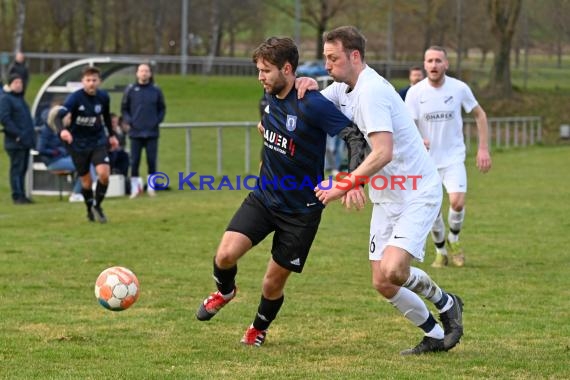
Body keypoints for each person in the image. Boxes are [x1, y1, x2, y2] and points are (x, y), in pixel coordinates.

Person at [298, 26, 464, 355]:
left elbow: (383, 152)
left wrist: (347, 182)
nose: (327, 65)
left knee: (394, 270)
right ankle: (433, 334)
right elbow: (314, 103)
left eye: (333, 59)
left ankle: (447, 303)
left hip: (416, 190)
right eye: (326, 58)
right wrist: (305, 85)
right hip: (387, 195)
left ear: (355, 56)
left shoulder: (371, 91)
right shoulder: (344, 87)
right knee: (382, 282)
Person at [195, 36, 367, 347]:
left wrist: (352, 178)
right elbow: (272, 130)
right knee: (224, 255)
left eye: (265, 70)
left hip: (301, 212)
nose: (260, 77)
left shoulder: (313, 104)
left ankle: (258, 328)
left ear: (286, 69)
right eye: (258, 70)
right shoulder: (270, 95)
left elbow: (355, 137)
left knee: (272, 283)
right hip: (263, 198)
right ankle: (225, 292)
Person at [405, 46, 492, 268]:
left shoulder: (459, 88)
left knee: (457, 201)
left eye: (438, 61)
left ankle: (453, 238)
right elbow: (406, 126)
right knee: (432, 210)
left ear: (446, 64)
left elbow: (480, 114)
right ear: (424, 65)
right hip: (425, 162)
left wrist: (483, 148)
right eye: (430, 61)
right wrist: (417, 140)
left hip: (453, 157)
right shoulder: (415, 93)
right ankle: (441, 251)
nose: (433, 65)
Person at [51, 66, 119, 222]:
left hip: (97, 141)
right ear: (83, 82)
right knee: (86, 182)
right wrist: (63, 131)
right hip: (78, 144)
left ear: (99, 81)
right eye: (88, 80)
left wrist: (112, 136)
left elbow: (106, 118)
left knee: (104, 174)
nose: (91, 83)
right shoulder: (75, 98)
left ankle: (98, 206)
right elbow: (57, 117)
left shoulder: (103, 97)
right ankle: (89, 209)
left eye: (94, 80)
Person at [121, 63, 166, 198]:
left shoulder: (156, 90)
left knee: (151, 161)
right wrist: (130, 121)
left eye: (146, 71)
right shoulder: (131, 90)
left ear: (150, 74)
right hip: (135, 133)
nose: (144, 73)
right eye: (141, 71)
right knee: (134, 162)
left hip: (152, 132)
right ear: (137, 73)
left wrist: (156, 121)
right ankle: (135, 189)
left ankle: (151, 188)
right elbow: (124, 109)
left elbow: (162, 109)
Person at [0, 73, 35, 204]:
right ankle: (17, 196)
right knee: (17, 169)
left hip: (25, 141)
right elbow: (5, 119)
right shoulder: (6, 99)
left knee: (23, 169)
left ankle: (23, 195)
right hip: (15, 142)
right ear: (10, 84)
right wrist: (18, 135)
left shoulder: (20, 99)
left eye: (20, 82)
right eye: (16, 82)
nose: (19, 85)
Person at [37, 109, 85, 202]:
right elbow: (40, 149)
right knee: (83, 166)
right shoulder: (46, 131)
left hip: (63, 158)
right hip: (53, 161)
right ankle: (76, 194)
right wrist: (55, 152)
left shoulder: (60, 130)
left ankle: (81, 191)